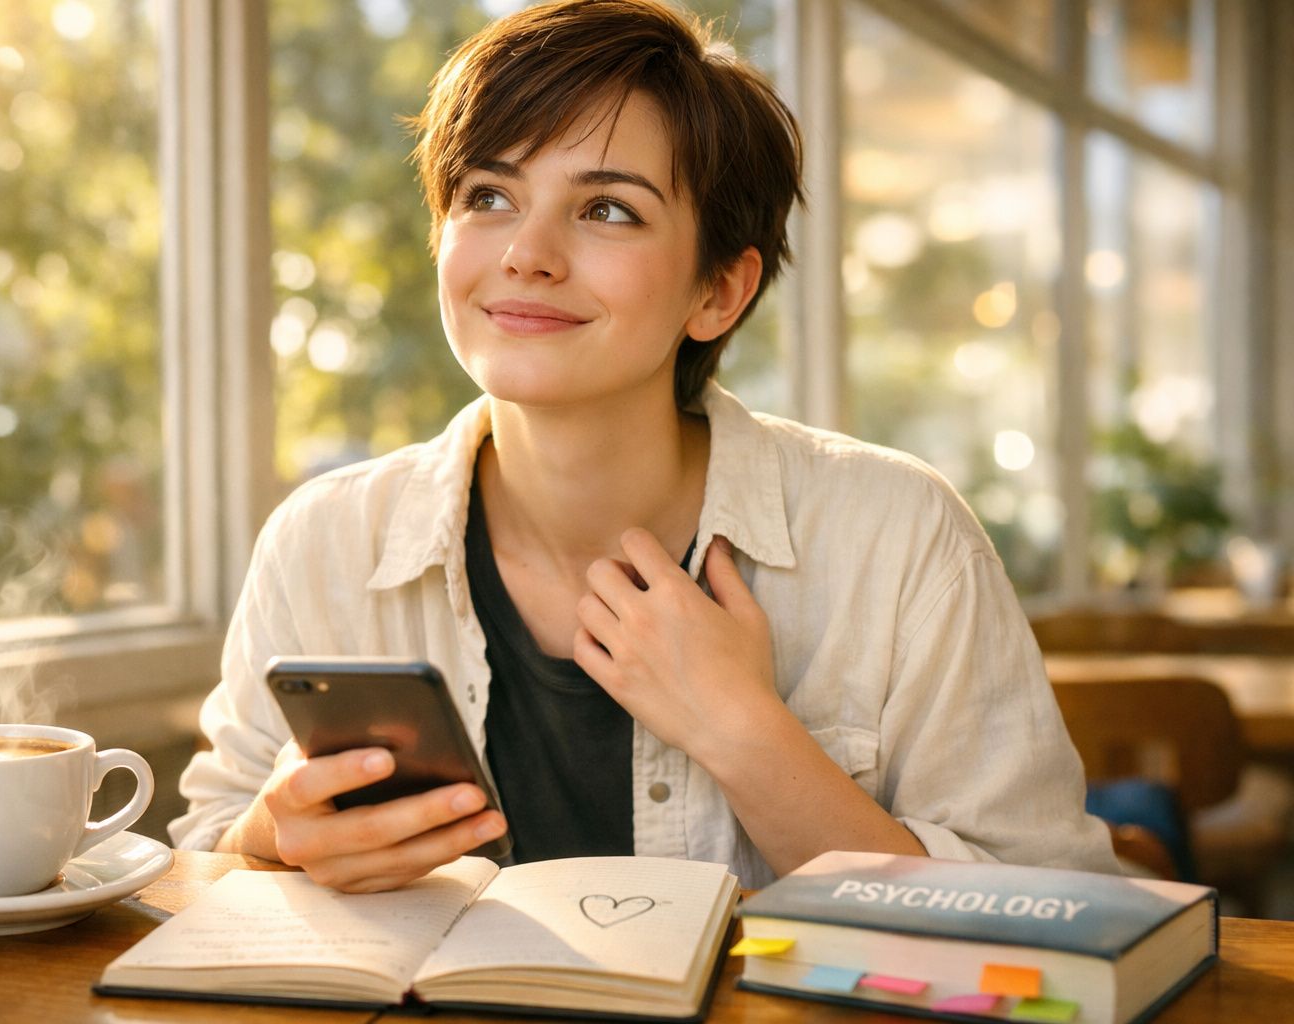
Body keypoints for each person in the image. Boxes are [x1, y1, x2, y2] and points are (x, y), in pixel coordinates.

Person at [170, 0, 1117, 892]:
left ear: (719, 292)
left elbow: (1062, 913)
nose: (526, 253)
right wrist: (270, 840)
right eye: (488, 195)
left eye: (607, 209)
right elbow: (204, 860)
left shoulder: (900, 539)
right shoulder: (324, 541)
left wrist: (745, 731)